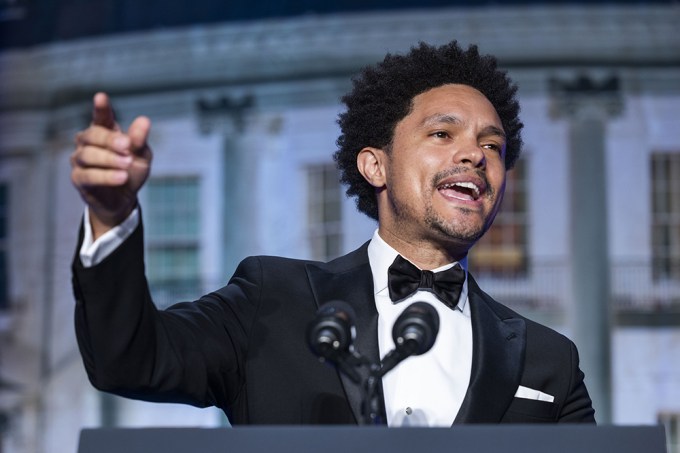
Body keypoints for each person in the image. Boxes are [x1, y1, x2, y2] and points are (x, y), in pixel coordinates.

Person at [70, 41, 596, 425]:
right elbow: (129, 359)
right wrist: (111, 218)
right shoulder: (270, 300)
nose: (474, 155)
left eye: (494, 146)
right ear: (375, 166)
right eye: (442, 133)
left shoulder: (548, 359)